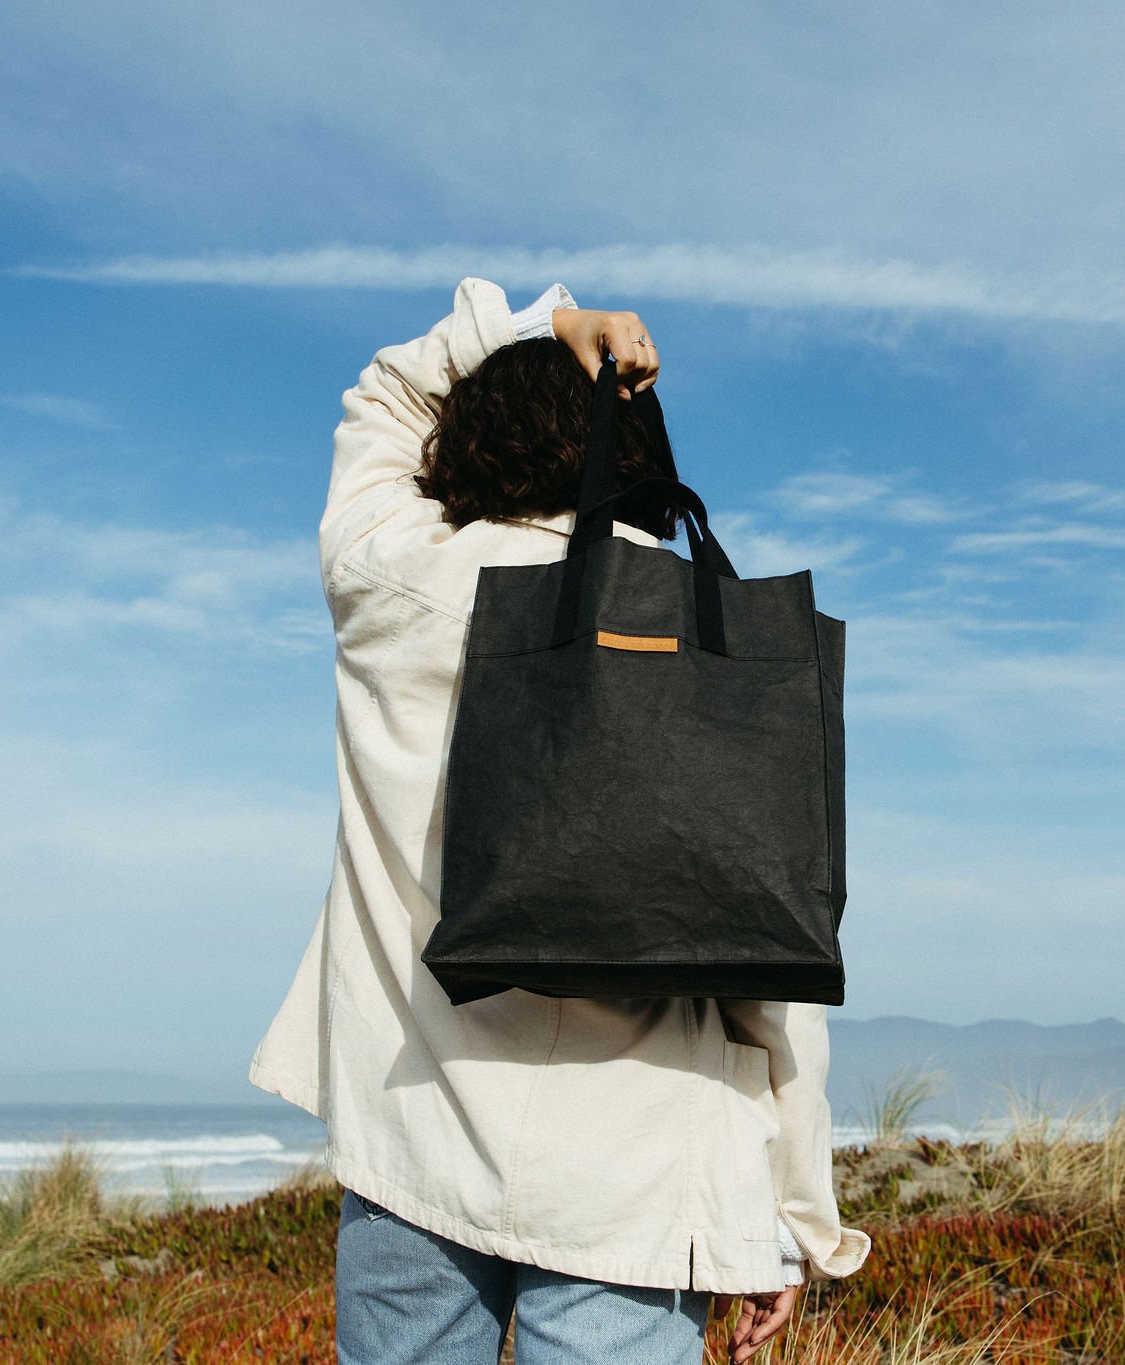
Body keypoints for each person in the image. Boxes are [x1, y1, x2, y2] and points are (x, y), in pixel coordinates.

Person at [247, 277, 872, 1365]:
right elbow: (773, 977)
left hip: (414, 1137)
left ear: (464, 446)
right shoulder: (687, 653)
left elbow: (383, 393)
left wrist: (543, 327)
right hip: (636, 1174)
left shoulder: (388, 583)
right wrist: (789, 1222)